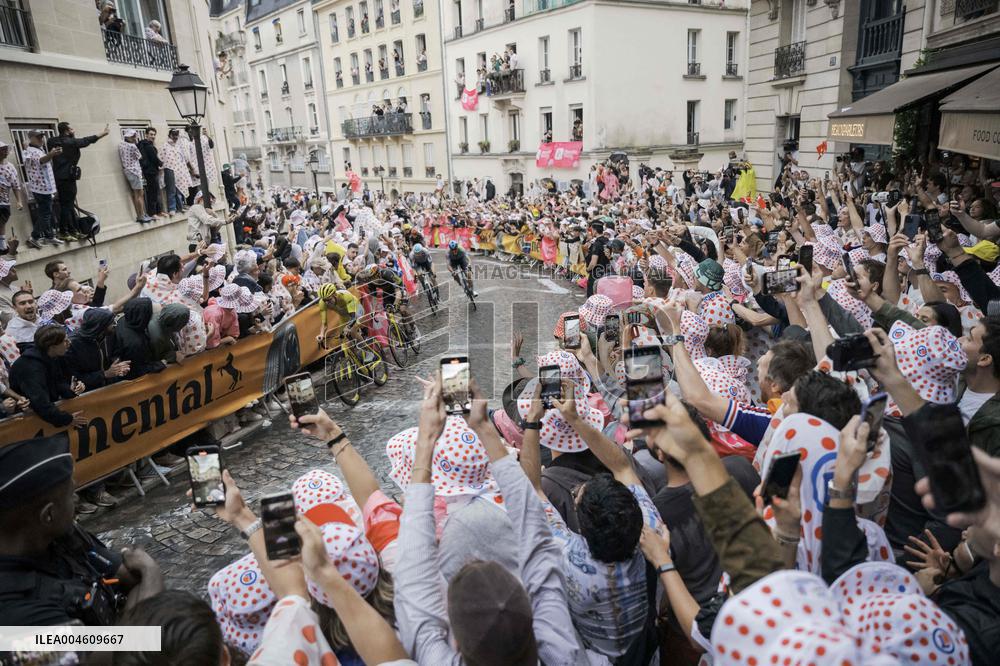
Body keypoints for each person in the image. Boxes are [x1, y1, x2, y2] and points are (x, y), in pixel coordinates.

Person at [0, 434, 163, 625]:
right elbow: (133, 649)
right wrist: (151, 571)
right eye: (71, 494)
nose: (77, 500)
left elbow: (129, 577)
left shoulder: (61, 536)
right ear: (48, 515)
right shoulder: (18, 613)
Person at [9, 325, 85, 428]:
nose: (69, 343)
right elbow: (40, 403)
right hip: (26, 423)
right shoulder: (30, 368)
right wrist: (67, 419)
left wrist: (71, 390)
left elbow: (58, 382)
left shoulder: (53, 357)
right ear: (52, 346)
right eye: (65, 341)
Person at [48, 121, 110, 241]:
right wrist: (103, 133)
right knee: (67, 205)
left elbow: (65, 143)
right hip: (67, 177)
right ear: (66, 131)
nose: (73, 131)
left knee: (69, 205)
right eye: (71, 129)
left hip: (59, 177)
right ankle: (63, 231)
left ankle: (73, 230)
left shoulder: (52, 141)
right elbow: (86, 141)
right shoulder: (70, 142)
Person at [22, 129, 62, 248]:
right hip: (41, 188)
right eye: (38, 137)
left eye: (42, 136)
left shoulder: (38, 149)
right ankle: (34, 237)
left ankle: (49, 237)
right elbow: (40, 161)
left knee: (46, 212)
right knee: (46, 213)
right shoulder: (30, 151)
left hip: (45, 187)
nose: (41, 139)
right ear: (31, 138)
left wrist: (51, 154)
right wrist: (51, 154)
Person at [119, 129, 151, 224]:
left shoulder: (121, 145)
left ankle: (140, 214)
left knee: (136, 194)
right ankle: (141, 216)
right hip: (135, 171)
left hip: (127, 171)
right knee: (140, 195)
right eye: (133, 136)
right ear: (128, 137)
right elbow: (140, 157)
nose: (134, 138)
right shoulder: (133, 146)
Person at [0, 140, 24, 254]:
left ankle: (2, 245)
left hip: (4, 201)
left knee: (2, 222)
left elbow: (16, 185)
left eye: (6, 149)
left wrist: (19, 201)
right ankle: (2, 245)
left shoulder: (10, 167)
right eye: (2, 150)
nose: (5, 152)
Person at [137, 127, 164, 219]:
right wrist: (161, 163)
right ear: (146, 135)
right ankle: (152, 213)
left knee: (156, 191)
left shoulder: (147, 144)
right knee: (153, 192)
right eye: (151, 134)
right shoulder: (147, 145)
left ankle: (158, 211)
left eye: (154, 134)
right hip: (150, 172)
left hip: (151, 171)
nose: (153, 136)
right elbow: (154, 158)